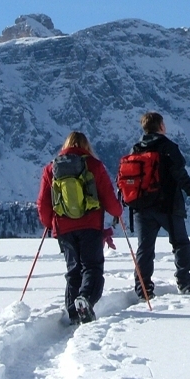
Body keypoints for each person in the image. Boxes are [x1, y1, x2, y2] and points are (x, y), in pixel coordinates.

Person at [36, 131, 123, 324]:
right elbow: (108, 197)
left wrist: (50, 223)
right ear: (86, 146)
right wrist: (118, 211)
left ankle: (73, 313)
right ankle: (85, 300)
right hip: (90, 225)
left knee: (73, 269)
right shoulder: (93, 165)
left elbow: (43, 203)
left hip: (63, 228)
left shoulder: (51, 168)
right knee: (91, 267)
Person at [130, 112, 190, 298]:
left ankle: (143, 288)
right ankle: (184, 281)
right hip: (168, 205)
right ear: (161, 126)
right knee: (180, 243)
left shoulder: (136, 148)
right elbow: (179, 173)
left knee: (145, 248)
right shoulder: (168, 146)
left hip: (142, 207)